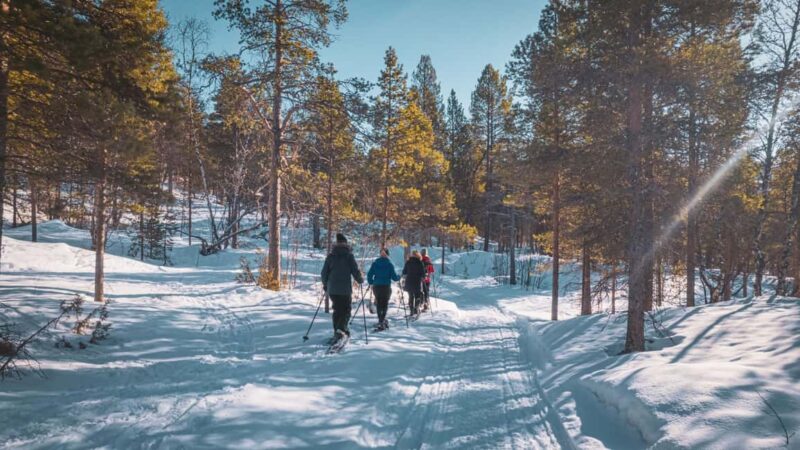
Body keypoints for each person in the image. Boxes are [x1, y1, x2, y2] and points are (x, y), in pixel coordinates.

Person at [321, 233, 363, 341]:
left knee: (337, 310)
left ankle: (338, 331)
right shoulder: (349, 256)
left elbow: (324, 273)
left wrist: (325, 285)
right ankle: (341, 329)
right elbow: (355, 271)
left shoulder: (330, 256)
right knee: (346, 310)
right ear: (345, 243)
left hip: (333, 289)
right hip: (344, 289)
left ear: (337, 243)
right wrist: (360, 279)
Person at [367, 248, 400, 330]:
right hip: (385, 286)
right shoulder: (389, 264)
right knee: (384, 303)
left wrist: (371, 282)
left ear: (380, 254)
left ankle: (380, 320)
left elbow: (369, 274)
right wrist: (399, 277)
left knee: (379, 302)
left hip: (376, 286)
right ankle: (382, 320)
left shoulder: (375, 263)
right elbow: (394, 278)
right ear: (387, 255)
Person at [402, 250, 426, 316]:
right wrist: (423, 277)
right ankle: (416, 308)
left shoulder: (408, 262)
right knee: (417, 295)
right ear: (418, 255)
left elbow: (404, 272)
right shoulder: (420, 263)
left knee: (410, 296)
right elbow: (423, 273)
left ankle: (411, 310)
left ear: (412, 255)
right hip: (417, 281)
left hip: (409, 281)